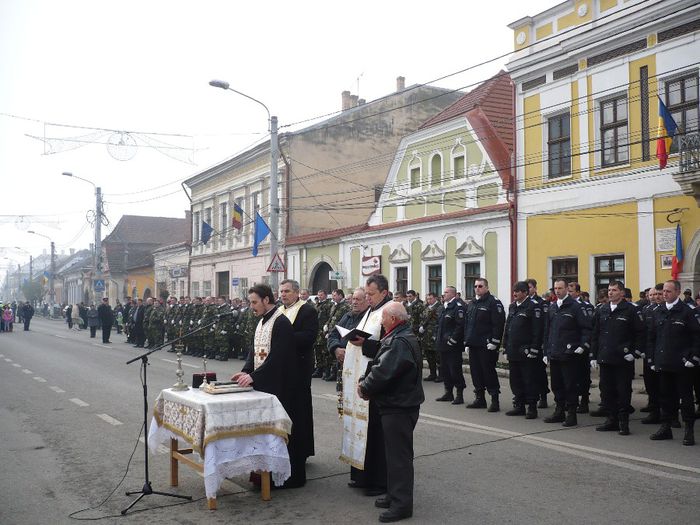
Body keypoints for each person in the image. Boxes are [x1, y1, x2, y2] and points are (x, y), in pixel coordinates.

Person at [232, 284, 310, 488]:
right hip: (267, 383)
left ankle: (288, 478)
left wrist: (254, 377)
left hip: (282, 386)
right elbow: (254, 351)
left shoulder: (281, 322)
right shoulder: (262, 322)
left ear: (266, 300)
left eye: (254, 302)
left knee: (282, 433)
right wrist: (246, 371)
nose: (251, 306)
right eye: (250, 302)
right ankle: (266, 476)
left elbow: (278, 358)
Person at [358, 301, 425, 523]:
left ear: (394, 320)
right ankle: (394, 495)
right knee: (393, 455)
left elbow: (384, 371)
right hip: (395, 404)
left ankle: (402, 505)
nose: (381, 322)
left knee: (399, 458)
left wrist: (365, 386)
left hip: (399, 406)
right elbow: (380, 364)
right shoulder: (398, 336)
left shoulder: (400, 341)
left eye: (383, 318)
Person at [340, 274, 392, 496]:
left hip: (374, 382)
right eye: (366, 294)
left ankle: (378, 482)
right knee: (361, 430)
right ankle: (361, 476)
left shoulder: (390, 311)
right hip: (358, 381)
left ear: (383, 292)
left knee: (375, 434)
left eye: (371, 294)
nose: (368, 298)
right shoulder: (370, 311)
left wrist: (365, 344)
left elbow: (390, 347)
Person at [647, 280, 700, 445]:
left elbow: (696, 337)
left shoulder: (686, 312)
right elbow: (652, 338)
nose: (664, 294)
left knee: (686, 398)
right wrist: (652, 359)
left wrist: (694, 357)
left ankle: (689, 430)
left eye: (668, 291)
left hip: (682, 364)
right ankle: (666, 427)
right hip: (664, 362)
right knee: (665, 397)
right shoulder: (659, 311)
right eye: (663, 291)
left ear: (678, 292)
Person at [276, 279, 318, 487]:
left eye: (287, 291)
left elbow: (309, 336)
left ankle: (302, 451)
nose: (283, 295)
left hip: (300, 366)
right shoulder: (279, 310)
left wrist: (285, 337)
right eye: (281, 291)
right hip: (283, 367)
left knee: (300, 409)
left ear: (296, 293)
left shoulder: (306, 310)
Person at [590, 281, 645, 436]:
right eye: (609, 290)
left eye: (614, 290)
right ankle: (611, 419)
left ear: (622, 293)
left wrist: (635, 353)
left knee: (623, 391)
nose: (610, 293)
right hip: (606, 357)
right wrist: (593, 355)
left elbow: (640, 333)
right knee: (607, 391)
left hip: (622, 359)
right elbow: (596, 334)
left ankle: (623, 422)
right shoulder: (602, 309)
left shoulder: (630, 310)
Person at [542, 279, 591, 427]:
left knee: (570, 384)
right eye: (555, 288)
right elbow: (548, 331)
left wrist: (582, 345)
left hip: (569, 353)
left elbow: (586, 328)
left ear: (566, 290)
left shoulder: (575, 307)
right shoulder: (552, 307)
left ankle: (571, 413)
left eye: (560, 288)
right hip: (555, 352)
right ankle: (559, 411)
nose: (557, 291)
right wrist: (546, 351)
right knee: (556, 384)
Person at [464, 278, 505, 411]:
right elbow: (468, 324)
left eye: (480, 286)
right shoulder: (472, 303)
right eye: (475, 286)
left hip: (486, 345)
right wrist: (467, 341)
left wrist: (495, 342)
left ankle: (494, 399)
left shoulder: (493, 302)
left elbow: (498, 324)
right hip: (474, 343)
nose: (477, 288)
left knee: (488, 372)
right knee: (476, 372)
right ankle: (480, 398)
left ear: (486, 287)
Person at [503, 281, 543, 419]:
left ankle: (532, 407)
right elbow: (508, 327)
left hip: (526, 351)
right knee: (515, 380)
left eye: (518, 291)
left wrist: (534, 349)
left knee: (529, 379)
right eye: (514, 290)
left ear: (525, 292)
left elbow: (537, 331)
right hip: (513, 350)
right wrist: (505, 346)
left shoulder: (533, 307)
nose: (515, 293)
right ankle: (519, 405)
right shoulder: (513, 306)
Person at [328, 287, 371, 417]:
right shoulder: (347, 316)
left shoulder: (371, 318)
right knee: (347, 408)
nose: (354, 302)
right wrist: (336, 349)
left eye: (358, 299)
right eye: (353, 299)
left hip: (361, 368)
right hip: (344, 365)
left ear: (367, 301)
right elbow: (333, 334)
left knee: (362, 410)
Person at [435, 286, 466, 404]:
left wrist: (453, 339)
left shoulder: (457, 307)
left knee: (455, 369)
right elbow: (440, 326)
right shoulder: (444, 307)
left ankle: (459, 394)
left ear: (453, 294)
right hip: (443, 344)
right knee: (445, 370)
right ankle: (448, 393)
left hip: (453, 346)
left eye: (446, 292)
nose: (444, 294)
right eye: (444, 292)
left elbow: (460, 326)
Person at [527, 278, 550, 408]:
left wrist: (542, 342)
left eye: (530, 287)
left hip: (539, 342)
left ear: (535, 288)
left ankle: (543, 396)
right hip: (527, 343)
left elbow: (545, 324)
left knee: (539, 372)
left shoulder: (542, 303)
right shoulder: (522, 303)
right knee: (528, 373)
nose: (528, 290)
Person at [417, 292, 442, 382]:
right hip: (426, 336)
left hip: (434, 335)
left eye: (430, 298)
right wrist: (421, 326)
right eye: (427, 299)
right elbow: (422, 318)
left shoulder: (440, 308)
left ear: (435, 298)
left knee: (437, 357)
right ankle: (432, 374)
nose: (429, 300)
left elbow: (439, 322)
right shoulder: (427, 308)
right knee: (429, 356)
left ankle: (441, 375)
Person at [312, 289, 333, 379]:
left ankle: (326, 370)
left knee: (324, 351)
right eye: (318, 295)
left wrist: (327, 327)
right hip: (316, 330)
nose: (319, 296)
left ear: (325, 295)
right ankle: (319, 369)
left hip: (323, 331)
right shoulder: (316, 304)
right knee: (317, 350)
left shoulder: (329, 305)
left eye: (321, 295)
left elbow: (330, 316)